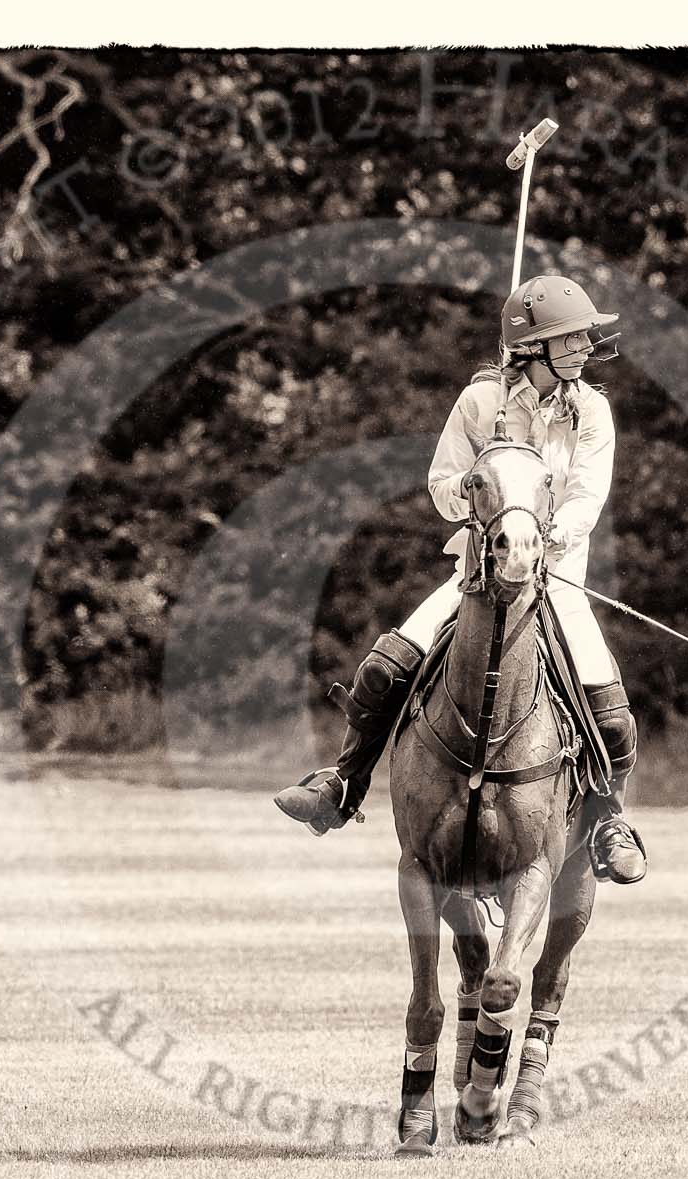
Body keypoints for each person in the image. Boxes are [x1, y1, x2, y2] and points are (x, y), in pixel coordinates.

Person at [273, 274, 648, 885]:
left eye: (585, 336)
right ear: (534, 346)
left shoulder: (592, 414)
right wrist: (481, 490)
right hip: (476, 574)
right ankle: (344, 784)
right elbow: (441, 486)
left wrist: (541, 535)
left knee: (611, 713)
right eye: (571, 337)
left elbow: (586, 498)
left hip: (554, 580)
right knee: (382, 668)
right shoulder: (480, 404)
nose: (584, 346)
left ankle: (609, 820)